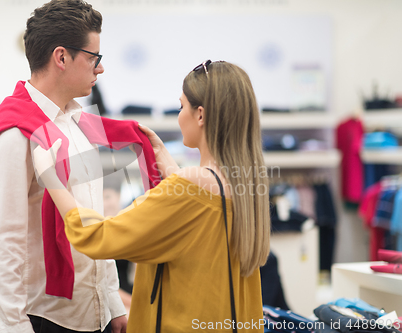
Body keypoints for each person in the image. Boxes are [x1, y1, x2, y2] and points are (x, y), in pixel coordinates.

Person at [33, 60, 271, 332]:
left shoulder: (190, 187)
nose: (180, 115)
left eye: (182, 106)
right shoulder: (246, 186)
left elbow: (97, 236)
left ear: (201, 115)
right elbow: (199, 225)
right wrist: (171, 169)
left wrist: (51, 177)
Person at [0, 1, 127, 332]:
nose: (100, 69)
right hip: (47, 319)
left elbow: (96, 216)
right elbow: (0, 243)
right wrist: (15, 328)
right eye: (93, 58)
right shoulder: (15, 133)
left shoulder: (80, 121)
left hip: (94, 312)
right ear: (61, 57)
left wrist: (113, 304)